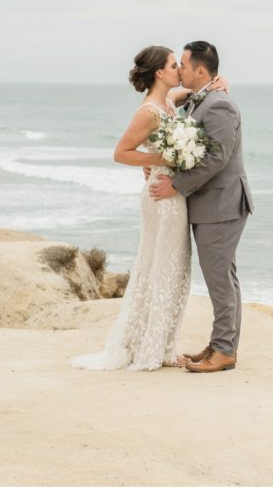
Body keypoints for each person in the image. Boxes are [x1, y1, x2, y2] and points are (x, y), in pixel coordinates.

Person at [69, 45, 227, 371]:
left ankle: (163, 344)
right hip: (160, 196)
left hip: (174, 197)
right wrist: (157, 160)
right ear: (160, 72)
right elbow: (121, 152)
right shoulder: (148, 112)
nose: (179, 70)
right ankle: (151, 349)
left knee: (173, 270)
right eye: (173, 65)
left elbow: (191, 92)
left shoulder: (169, 101)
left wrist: (216, 83)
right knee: (159, 268)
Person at [148, 40, 253, 373]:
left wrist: (176, 185)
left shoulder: (219, 105)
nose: (179, 69)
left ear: (201, 71)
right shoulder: (201, 99)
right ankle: (220, 344)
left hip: (221, 206)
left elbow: (217, 157)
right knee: (223, 279)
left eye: (183, 64)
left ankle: (223, 351)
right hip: (212, 205)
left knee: (220, 280)